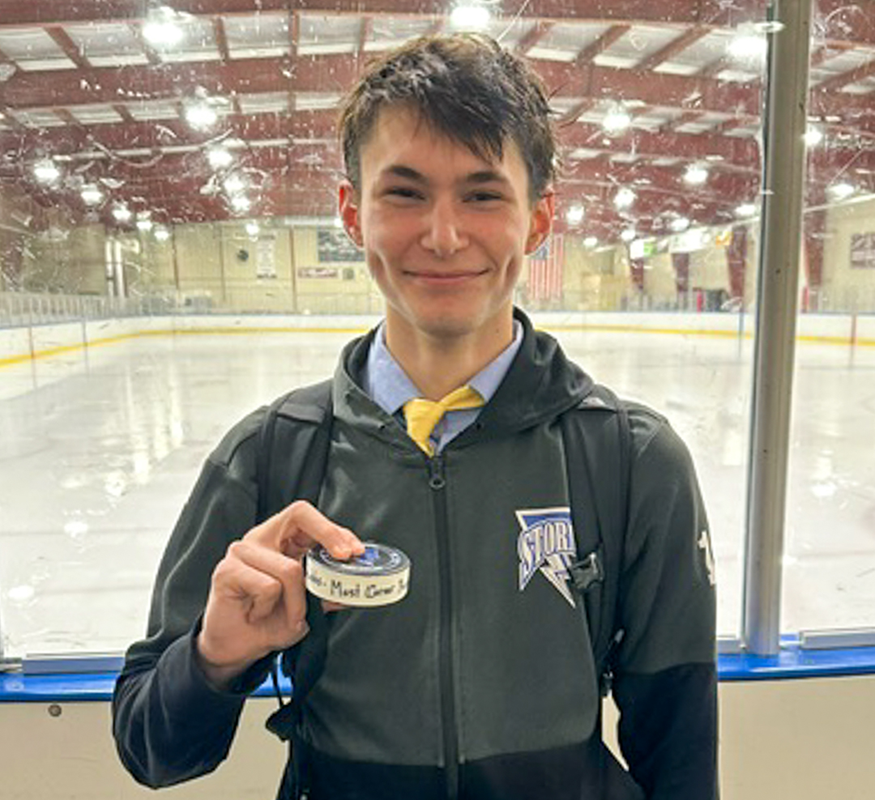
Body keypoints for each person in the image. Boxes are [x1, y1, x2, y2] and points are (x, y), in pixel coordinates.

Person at [112, 33, 718, 800]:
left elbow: (680, 752)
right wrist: (213, 657)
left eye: (482, 193)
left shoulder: (630, 461)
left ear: (536, 220)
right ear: (351, 214)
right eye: (403, 193)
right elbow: (152, 750)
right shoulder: (270, 457)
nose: (441, 235)